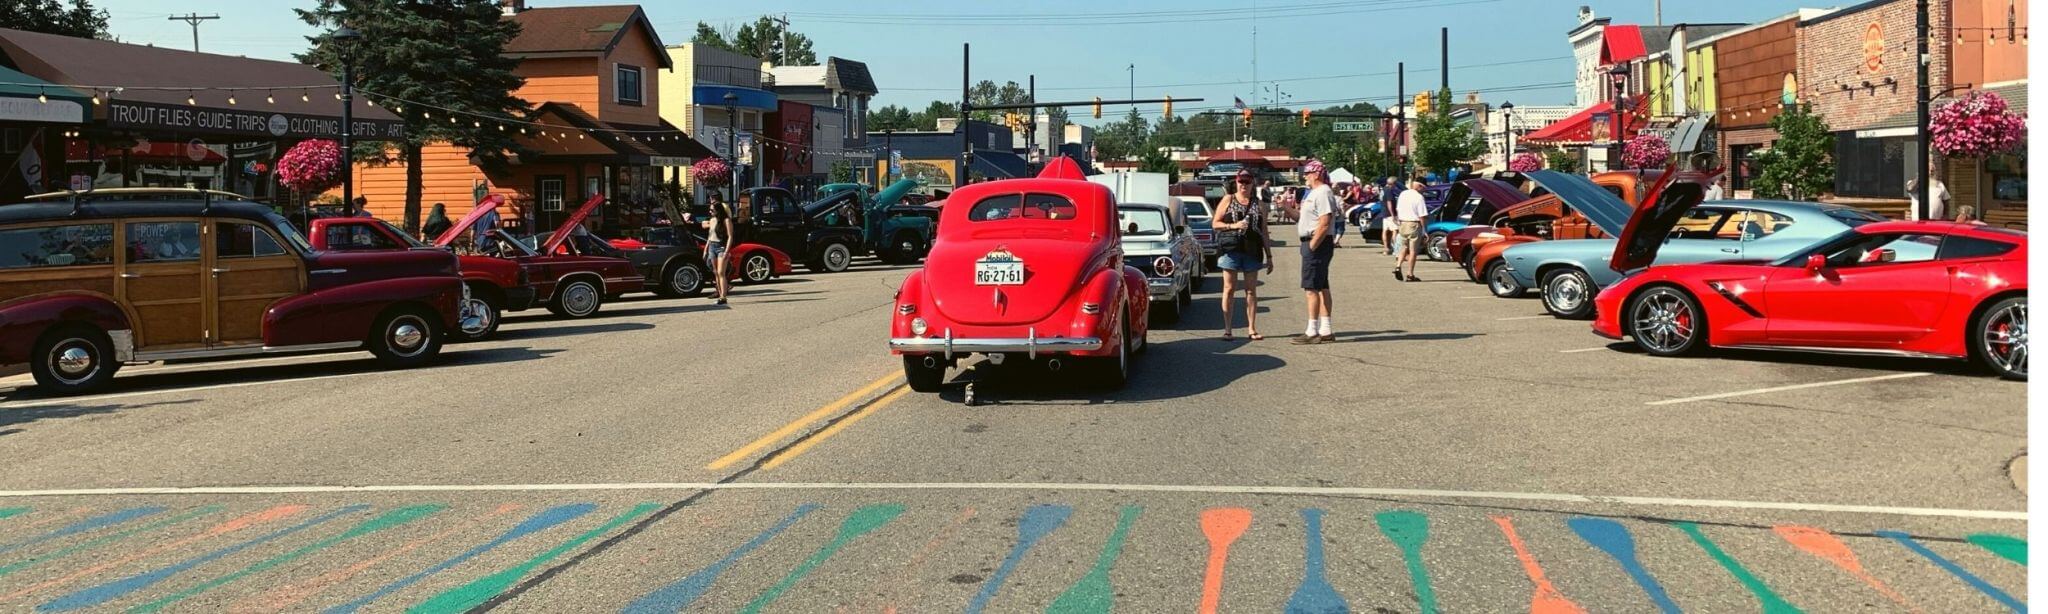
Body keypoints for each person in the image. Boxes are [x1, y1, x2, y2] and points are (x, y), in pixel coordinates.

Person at [1214, 178, 1274, 341]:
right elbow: (1215, 223)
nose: (1244, 185)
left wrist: (1269, 256)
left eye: (1247, 182)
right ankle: (1228, 329)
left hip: (1252, 250)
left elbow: (1264, 231)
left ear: (1253, 184)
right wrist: (1233, 226)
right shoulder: (1228, 199)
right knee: (1229, 289)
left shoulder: (1259, 204)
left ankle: (1252, 329)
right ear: (1236, 183)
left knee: (1251, 290)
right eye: (1241, 181)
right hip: (1231, 249)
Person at [1293, 160, 1340, 345]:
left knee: (1311, 288)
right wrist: (1285, 207)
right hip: (1314, 242)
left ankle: (1312, 330)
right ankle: (1325, 329)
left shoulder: (1323, 192)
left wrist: (1312, 245)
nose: (1305, 176)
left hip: (1317, 242)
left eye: (1307, 173)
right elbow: (1303, 218)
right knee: (1321, 285)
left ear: (1317, 174)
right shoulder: (1313, 193)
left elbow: (1324, 221)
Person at [1393, 174, 1428, 282]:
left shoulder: (1403, 194)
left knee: (1403, 247)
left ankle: (1398, 266)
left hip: (1403, 223)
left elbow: (1398, 209)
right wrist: (1424, 230)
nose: (1424, 191)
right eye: (1424, 188)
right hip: (1414, 224)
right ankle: (1410, 274)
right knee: (1413, 251)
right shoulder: (1419, 197)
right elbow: (1422, 215)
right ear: (1420, 186)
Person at [705, 191, 735, 305]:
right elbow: (710, 236)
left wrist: (727, 251)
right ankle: (719, 293)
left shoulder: (726, 220)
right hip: (712, 246)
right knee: (716, 272)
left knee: (721, 272)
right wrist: (706, 249)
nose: (710, 212)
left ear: (718, 210)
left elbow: (730, 236)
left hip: (721, 246)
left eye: (712, 210)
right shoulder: (712, 220)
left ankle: (723, 297)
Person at [1380, 176, 1402, 254]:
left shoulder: (1383, 190)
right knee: (1395, 230)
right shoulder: (1389, 190)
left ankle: (1386, 248)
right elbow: (1389, 203)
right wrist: (1393, 215)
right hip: (1390, 213)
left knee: (1385, 231)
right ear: (1393, 183)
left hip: (1384, 213)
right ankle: (1396, 249)